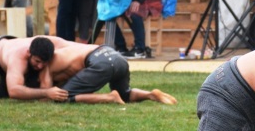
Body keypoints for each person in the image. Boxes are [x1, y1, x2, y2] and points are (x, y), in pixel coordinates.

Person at [41, 37, 176, 105]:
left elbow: (47, 93)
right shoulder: (69, 48)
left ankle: (109, 97)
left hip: (101, 61)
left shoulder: (48, 64)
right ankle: (150, 94)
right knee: (125, 95)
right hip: (117, 57)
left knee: (61, 97)